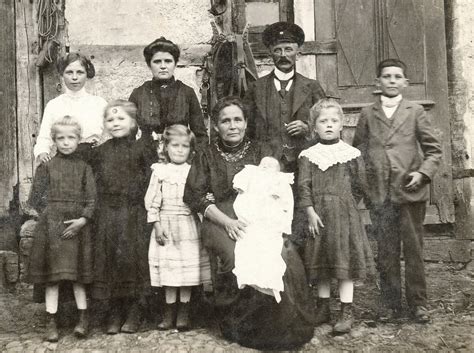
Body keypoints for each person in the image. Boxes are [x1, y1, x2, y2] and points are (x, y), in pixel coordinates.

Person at [184, 96, 314, 350]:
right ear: (216, 127)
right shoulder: (206, 155)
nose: (232, 126)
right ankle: (240, 322)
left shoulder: (260, 150)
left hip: (259, 216)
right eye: (225, 121)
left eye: (237, 120)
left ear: (245, 123)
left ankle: (281, 321)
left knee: (284, 253)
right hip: (220, 218)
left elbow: (276, 183)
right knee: (235, 256)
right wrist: (227, 222)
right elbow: (194, 196)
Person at [353, 59, 442, 323]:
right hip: (380, 193)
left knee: (413, 249)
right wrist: (366, 185)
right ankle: (390, 305)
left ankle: (418, 304)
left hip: (410, 191)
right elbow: (359, 151)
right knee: (387, 251)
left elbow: (433, 150)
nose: (392, 81)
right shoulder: (368, 113)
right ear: (377, 82)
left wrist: (423, 173)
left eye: (397, 76)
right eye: (386, 76)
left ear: (405, 82)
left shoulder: (415, 111)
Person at [298, 99, 375, 334]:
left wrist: (347, 206)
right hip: (317, 218)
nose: (329, 125)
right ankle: (322, 308)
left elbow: (360, 185)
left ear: (342, 125)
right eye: (323, 121)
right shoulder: (308, 155)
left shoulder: (350, 154)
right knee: (321, 260)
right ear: (314, 126)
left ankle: (346, 309)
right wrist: (310, 211)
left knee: (344, 262)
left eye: (334, 121)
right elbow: (303, 186)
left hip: (344, 217)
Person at [28, 116, 96, 342]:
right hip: (52, 228)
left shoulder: (85, 168)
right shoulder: (46, 167)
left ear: (79, 140)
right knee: (52, 277)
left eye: (71, 138)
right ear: (54, 141)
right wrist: (52, 216)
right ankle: (51, 321)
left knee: (78, 277)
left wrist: (83, 220)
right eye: (61, 138)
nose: (66, 143)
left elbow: (92, 198)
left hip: (78, 226)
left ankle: (83, 319)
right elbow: (36, 198)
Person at [89, 100, 151, 334]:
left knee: (131, 260)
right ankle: (115, 310)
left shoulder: (141, 149)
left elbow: (149, 181)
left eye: (121, 119)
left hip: (133, 212)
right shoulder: (100, 152)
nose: (115, 123)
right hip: (108, 213)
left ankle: (135, 309)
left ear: (133, 122)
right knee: (110, 261)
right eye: (110, 120)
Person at [145, 124, 211, 331]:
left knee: (186, 272)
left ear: (191, 150)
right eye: (175, 145)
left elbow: (200, 198)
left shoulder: (193, 171)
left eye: (184, 146)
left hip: (188, 226)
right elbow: (153, 201)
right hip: (166, 224)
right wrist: (156, 225)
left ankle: (184, 312)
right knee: (170, 270)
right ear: (165, 148)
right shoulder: (160, 171)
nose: (179, 150)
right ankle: (169, 311)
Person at [244, 22, 326, 173]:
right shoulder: (256, 88)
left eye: (288, 49)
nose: (283, 55)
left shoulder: (312, 87)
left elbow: (327, 122)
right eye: (277, 50)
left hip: (304, 161)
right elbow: (247, 128)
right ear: (270, 53)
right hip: (266, 163)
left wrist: (308, 128)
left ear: (297, 53)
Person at [129, 37, 208, 161]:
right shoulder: (138, 94)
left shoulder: (187, 93)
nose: (163, 66)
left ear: (175, 64)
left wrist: (193, 161)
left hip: (180, 159)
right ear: (149, 65)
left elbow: (200, 135)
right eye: (157, 62)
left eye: (168, 61)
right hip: (145, 159)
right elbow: (129, 134)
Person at [232, 156, 293, 303]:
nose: (265, 166)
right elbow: (240, 183)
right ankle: (249, 277)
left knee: (270, 251)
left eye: (271, 165)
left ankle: (268, 283)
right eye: (263, 164)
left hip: (268, 222)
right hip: (251, 220)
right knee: (246, 248)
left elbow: (286, 202)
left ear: (278, 170)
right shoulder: (251, 173)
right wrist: (242, 185)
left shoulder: (280, 179)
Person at [33, 52, 107, 163]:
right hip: (65, 160)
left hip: (93, 160)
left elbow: (112, 133)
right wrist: (42, 152)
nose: (74, 77)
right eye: (69, 72)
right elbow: (44, 137)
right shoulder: (54, 105)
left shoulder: (99, 103)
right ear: (62, 74)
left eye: (80, 72)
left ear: (86, 74)